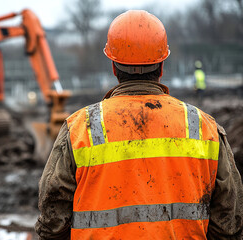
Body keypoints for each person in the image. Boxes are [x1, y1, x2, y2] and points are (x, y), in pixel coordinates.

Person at [35, 10, 243, 240]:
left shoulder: (80, 128)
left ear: (114, 68)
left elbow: (52, 219)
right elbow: (228, 223)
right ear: (161, 67)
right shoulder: (204, 128)